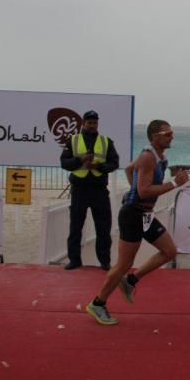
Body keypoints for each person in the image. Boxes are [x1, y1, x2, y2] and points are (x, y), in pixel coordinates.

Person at [85, 119, 190, 326]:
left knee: (169, 251)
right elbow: (143, 192)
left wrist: (135, 187)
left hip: (145, 215)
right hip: (133, 214)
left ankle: (131, 280)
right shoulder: (147, 157)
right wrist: (173, 183)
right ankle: (98, 303)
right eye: (167, 134)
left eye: (172, 133)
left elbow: (129, 169)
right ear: (154, 137)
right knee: (124, 264)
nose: (172, 137)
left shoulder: (160, 158)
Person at [60, 110, 120, 271]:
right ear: (83, 123)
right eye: (89, 123)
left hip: (99, 190)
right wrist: (79, 159)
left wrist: (98, 166)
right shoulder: (73, 140)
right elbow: (64, 163)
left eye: (95, 123)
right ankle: (74, 260)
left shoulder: (106, 141)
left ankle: (104, 261)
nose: (92, 126)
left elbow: (114, 164)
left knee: (103, 228)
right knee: (75, 227)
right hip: (79, 189)